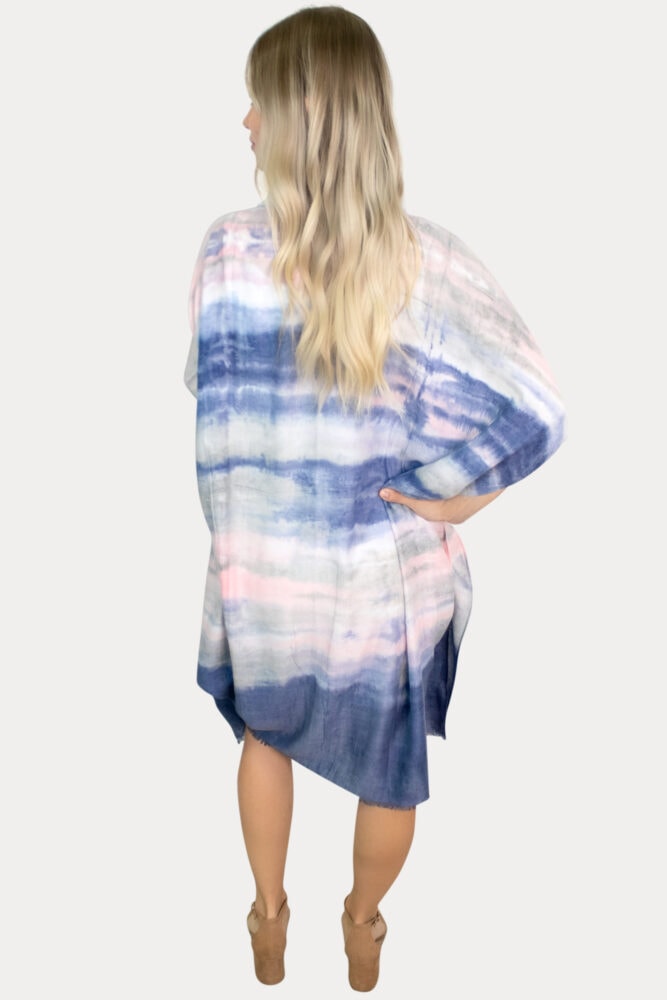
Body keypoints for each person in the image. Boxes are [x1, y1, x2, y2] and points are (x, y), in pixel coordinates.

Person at [184, 6, 565, 992]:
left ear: (302, 116)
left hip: (263, 573)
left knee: (263, 734)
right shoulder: (425, 262)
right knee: (389, 770)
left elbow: (212, 398)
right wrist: (448, 496)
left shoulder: (225, 251)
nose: (245, 122)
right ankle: (363, 925)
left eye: (258, 102)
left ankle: (268, 917)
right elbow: (536, 408)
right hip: (378, 584)